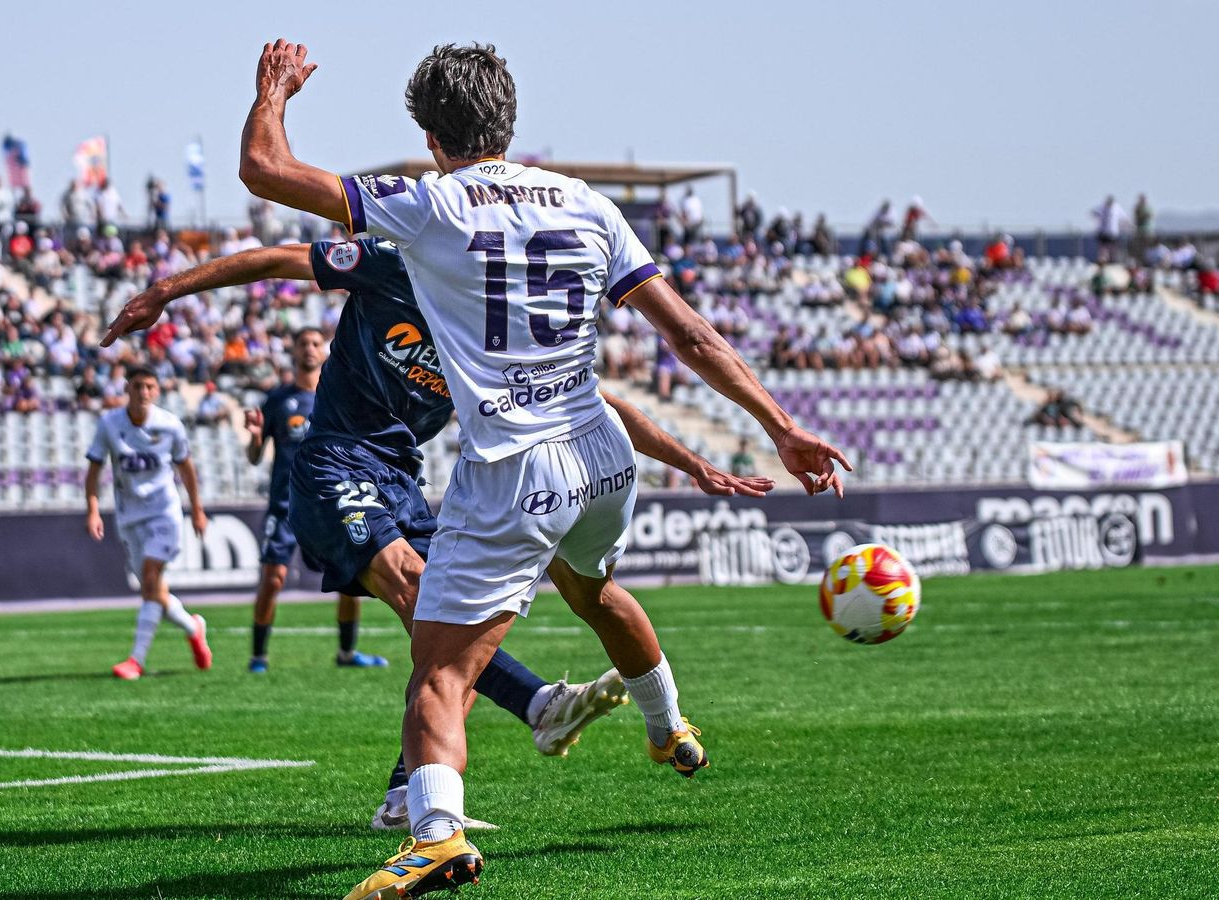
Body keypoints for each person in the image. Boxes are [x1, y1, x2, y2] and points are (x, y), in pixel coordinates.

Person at [237, 40, 849, 897]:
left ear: (430, 133)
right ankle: (668, 727)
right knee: (595, 593)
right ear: (507, 118)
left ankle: (436, 835)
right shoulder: (588, 204)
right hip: (602, 457)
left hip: (511, 469)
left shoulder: (431, 205)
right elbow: (691, 335)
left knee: (440, 672)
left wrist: (273, 92)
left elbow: (265, 169)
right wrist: (781, 428)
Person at [103, 236, 770, 832]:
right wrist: (164, 291)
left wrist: (691, 462)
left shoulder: (496, 330)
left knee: (455, 630)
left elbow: (599, 406)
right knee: (421, 590)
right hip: (334, 461)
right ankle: (539, 705)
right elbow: (278, 258)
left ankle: (404, 794)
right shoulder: (395, 265)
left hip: (402, 477)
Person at [243, 328, 389, 672]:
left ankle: (347, 653)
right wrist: (252, 438)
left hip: (330, 503)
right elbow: (254, 456)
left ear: (324, 351)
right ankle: (258, 657)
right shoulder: (278, 400)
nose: (308, 349)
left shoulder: (338, 398)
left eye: (314, 343)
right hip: (286, 504)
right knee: (273, 577)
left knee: (353, 577)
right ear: (293, 352)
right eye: (302, 344)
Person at [84, 367, 214, 679]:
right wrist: (92, 510)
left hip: (163, 512)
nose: (143, 392)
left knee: (151, 580)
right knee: (154, 592)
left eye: (149, 387)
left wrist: (197, 509)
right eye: (138, 386)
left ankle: (136, 661)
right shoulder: (109, 424)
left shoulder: (170, 425)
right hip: (128, 515)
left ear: (157, 392)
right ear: (127, 389)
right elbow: (94, 471)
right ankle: (193, 626)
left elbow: (187, 469)